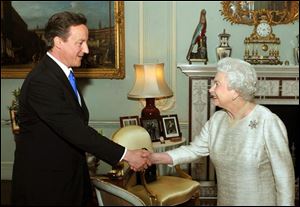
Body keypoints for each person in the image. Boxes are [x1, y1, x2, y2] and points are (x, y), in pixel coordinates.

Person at [11, 11, 150, 205]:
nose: (86, 50)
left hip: (70, 179)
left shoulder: (64, 74)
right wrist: (126, 155)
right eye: (80, 43)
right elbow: (75, 130)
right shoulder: (42, 81)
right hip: (46, 188)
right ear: (59, 42)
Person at [147, 57, 295, 205]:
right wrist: (153, 157)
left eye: (217, 84)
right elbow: (192, 150)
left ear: (235, 91)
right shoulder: (217, 121)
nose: (210, 89)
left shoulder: (267, 121)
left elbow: (285, 178)